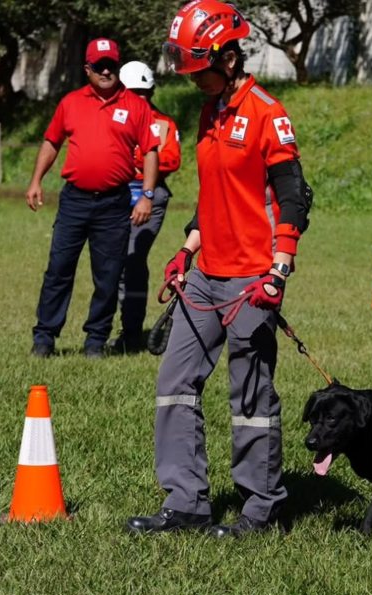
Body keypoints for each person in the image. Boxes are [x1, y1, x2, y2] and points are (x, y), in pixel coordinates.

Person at [128, 0, 312, 538]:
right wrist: (186, 250)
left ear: (229, 58)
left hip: (252, 278)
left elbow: (292, 196)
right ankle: (185, 503)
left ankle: (262, 509)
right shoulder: (210, 111)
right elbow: (215, 196)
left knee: (249, 394)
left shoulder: (266, 113)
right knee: (175, 382)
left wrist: (279, 269)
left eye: (201, 70)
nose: (195, 81)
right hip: (205, 275)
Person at [26, 38, 160, 358]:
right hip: (74, 201)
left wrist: (147, 196)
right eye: (98, 65)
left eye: (110, 64)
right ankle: (45, 338)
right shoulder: (70, 103)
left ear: (118, 66)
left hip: (114, 203)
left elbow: (151, 152)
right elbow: (51, 142)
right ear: (87, 69)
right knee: (59, 269)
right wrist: (35, 181)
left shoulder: (136, 106)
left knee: (108, 276)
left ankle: (95, 341)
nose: (105, 71)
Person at [112, 60, 182, 353]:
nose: (141, 98)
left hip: (150, 195)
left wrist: (140, 159)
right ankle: (109, 331)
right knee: (112, 264)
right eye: (134, 91)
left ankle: (131, 333)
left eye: (145, 91)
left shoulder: (164, 123)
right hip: (114, 193)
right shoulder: (114, 118)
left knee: (132, 260)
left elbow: (171, 160)